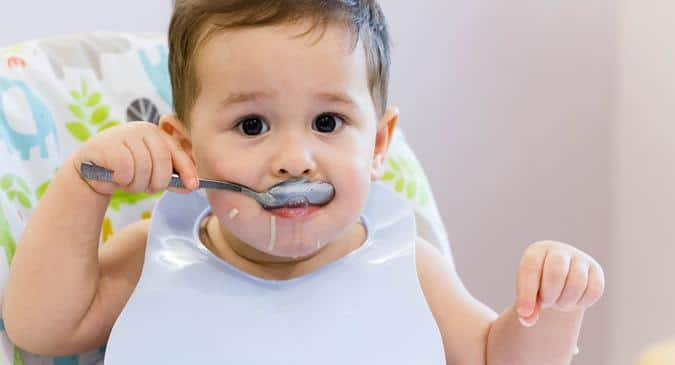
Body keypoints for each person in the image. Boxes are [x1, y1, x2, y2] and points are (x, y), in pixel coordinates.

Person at [2, 1, 605, 363]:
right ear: (186, 146)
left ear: (376, 145)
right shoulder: (157, 255)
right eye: (252, 124)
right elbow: (40, 327)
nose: (294, 159)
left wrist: (551, 309)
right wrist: (87, 186)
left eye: (327, 122)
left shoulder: (405, 267)